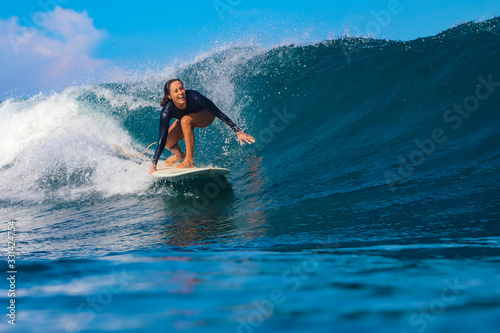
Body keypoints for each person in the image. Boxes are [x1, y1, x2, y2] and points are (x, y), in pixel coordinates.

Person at [149, 79, 255, 174]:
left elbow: (217, 112)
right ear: (169, 96)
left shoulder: (194, 96)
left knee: (185, 120)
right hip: (186, 120)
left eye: (181, 88)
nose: (180, 93)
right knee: (167, 140)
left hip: (206, 116)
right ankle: (179, 155)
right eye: (175, 91)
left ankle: (189, 161)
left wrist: (237, 130)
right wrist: (154, 164)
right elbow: (162, 139)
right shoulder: (167, 111)